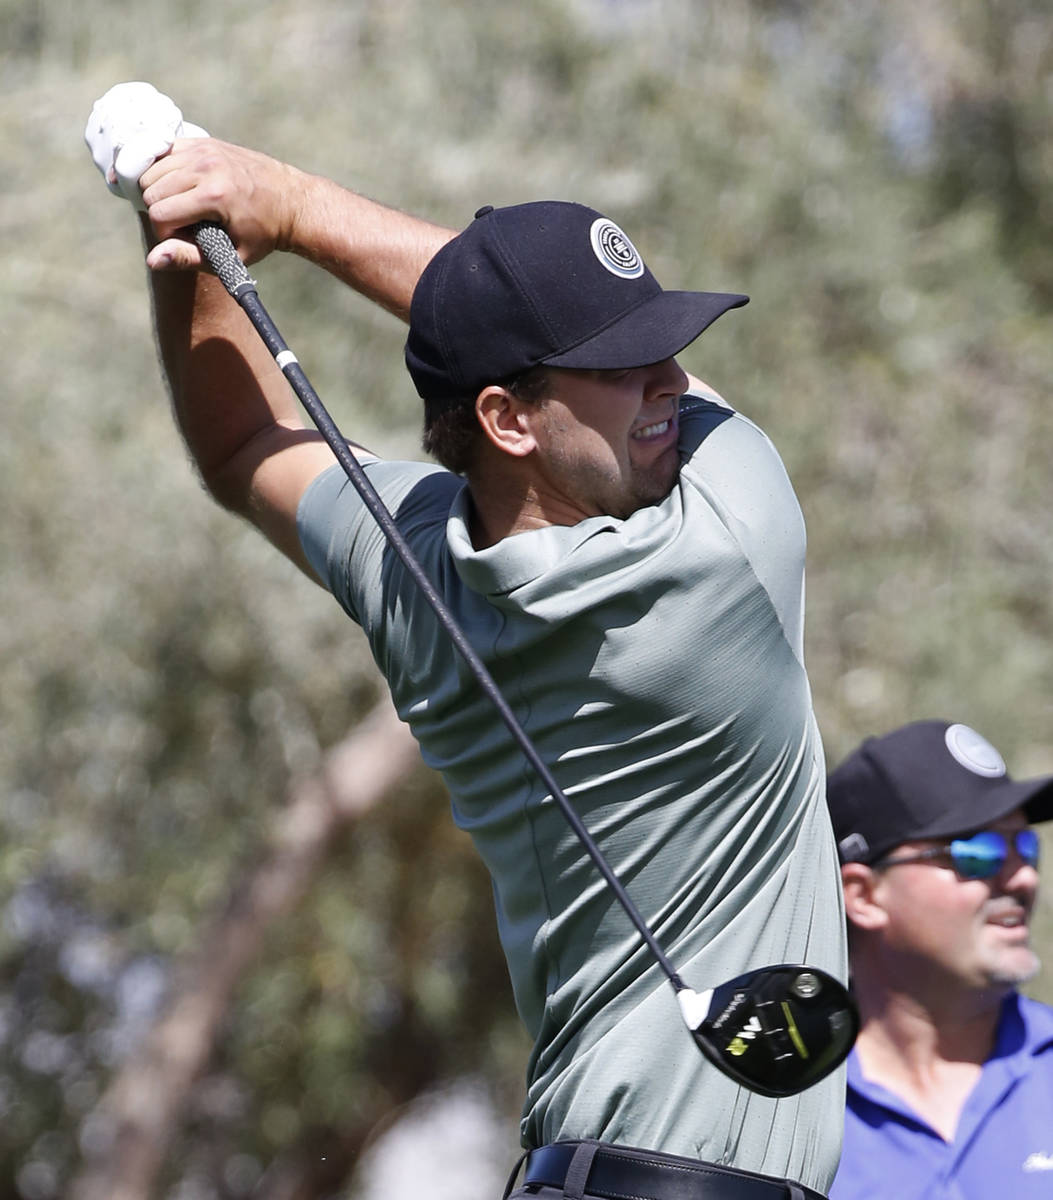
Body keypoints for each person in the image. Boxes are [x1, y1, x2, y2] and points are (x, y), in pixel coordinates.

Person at [86, 83, 847, 1199]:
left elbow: (243, 439)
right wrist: (281, 204)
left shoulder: (416, 568)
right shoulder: (722, 551)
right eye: (625, 362)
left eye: (666, 351)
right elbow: (294, 404)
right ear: (506, 418)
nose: (673, 385)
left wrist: (184, 234)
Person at [826, 719, 1053, 1199]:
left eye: (1026, 847)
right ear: (863, 896)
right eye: (979, 852)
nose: (1023, 880)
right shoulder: (786, 1108)